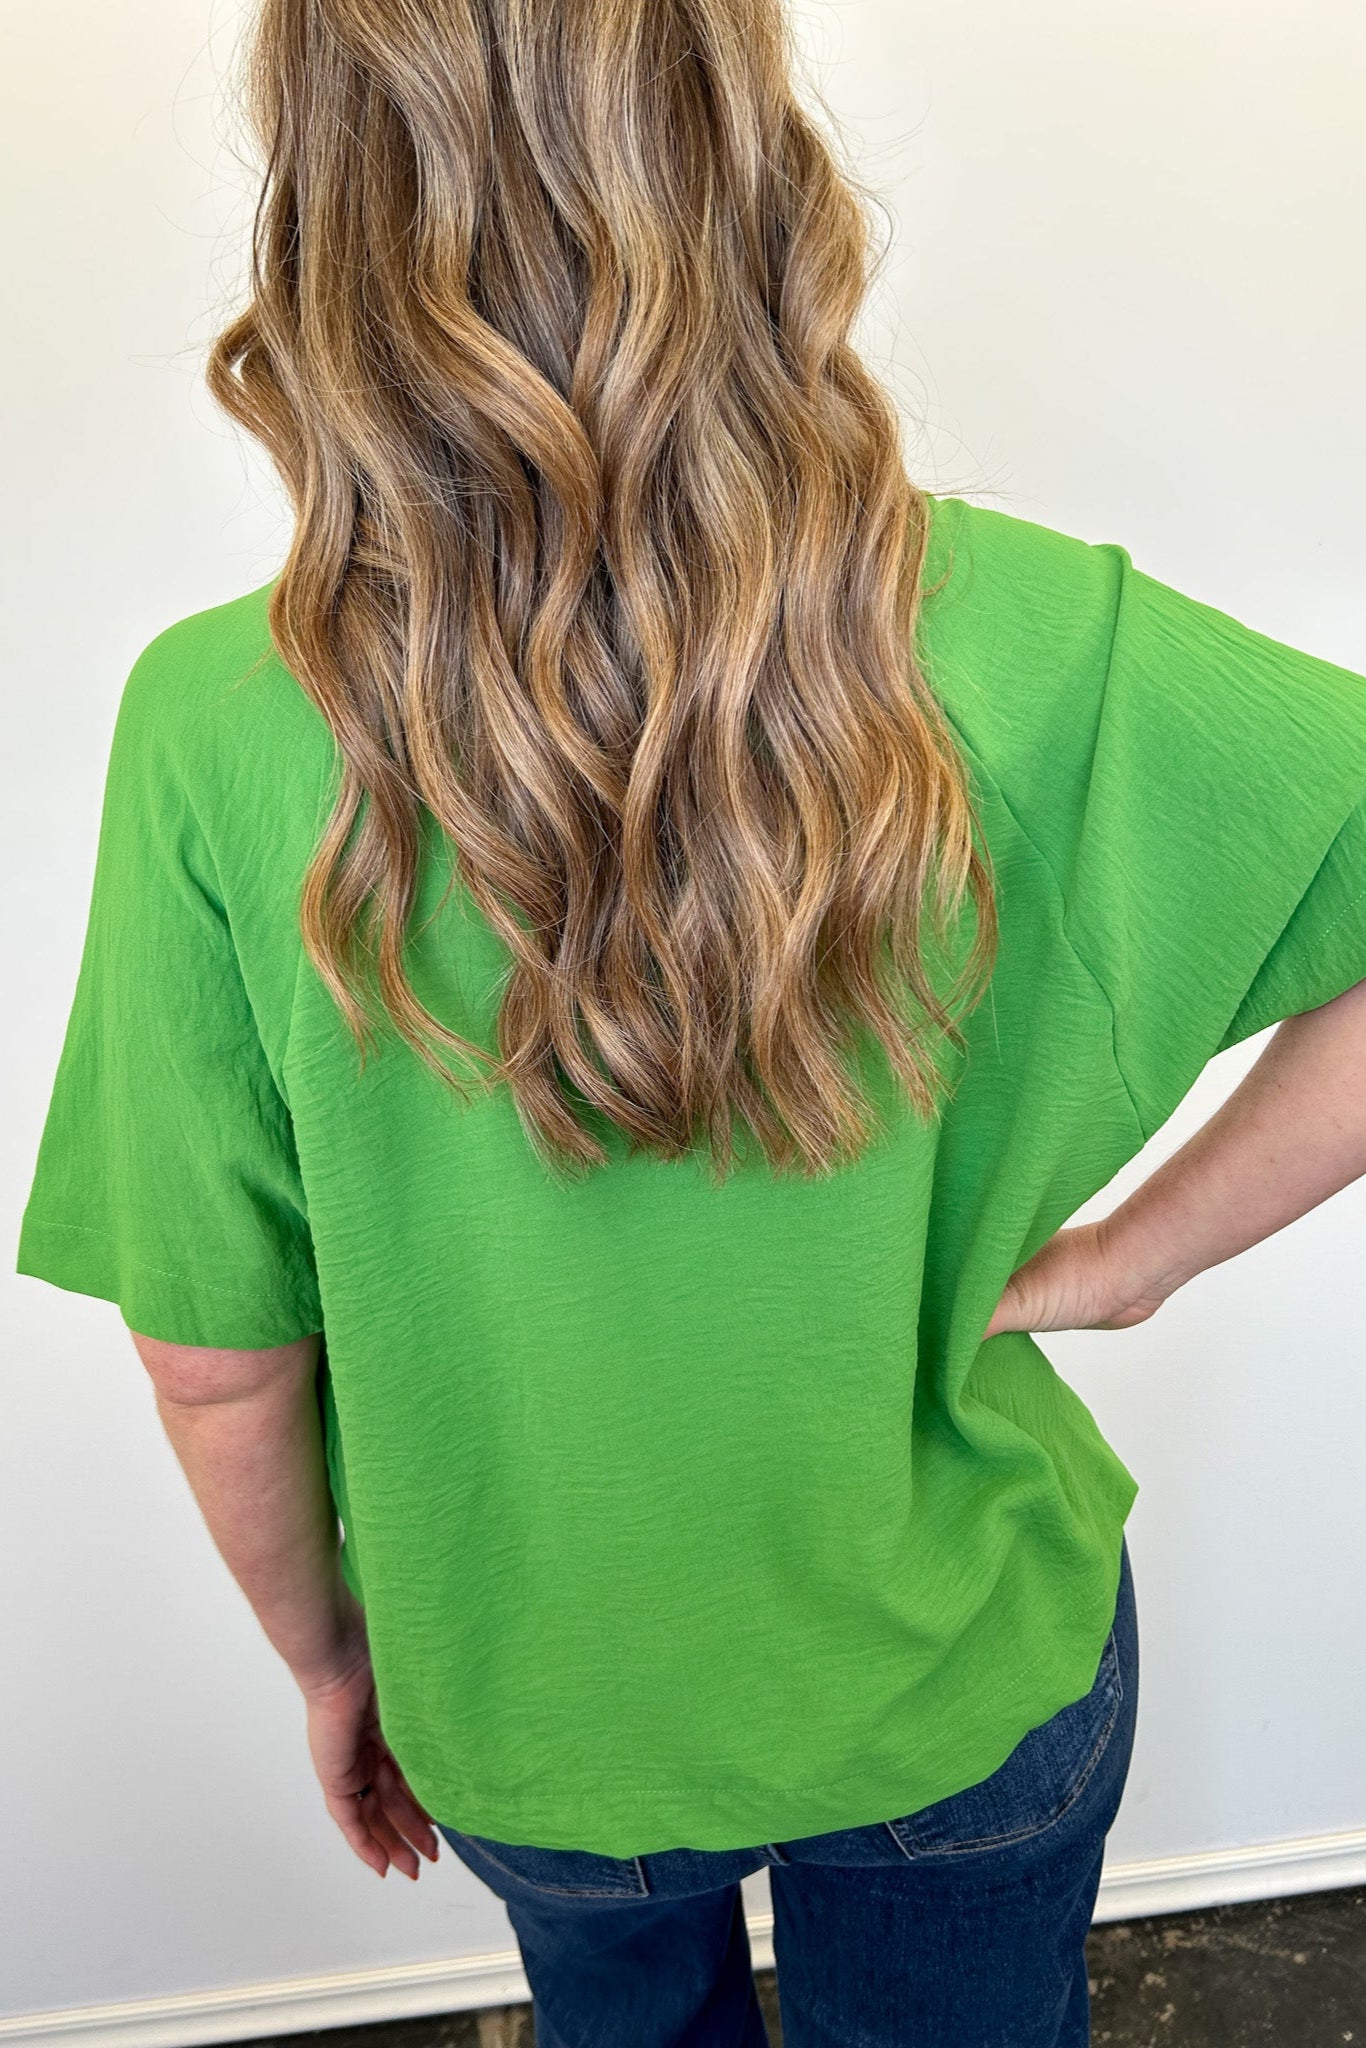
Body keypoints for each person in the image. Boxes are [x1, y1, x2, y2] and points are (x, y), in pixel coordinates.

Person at [14, 0, 1366, 2042]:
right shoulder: (1019, 634)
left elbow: (215, 1360)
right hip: (953, 1673)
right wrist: (1128, 1266)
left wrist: (329, 1661)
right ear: (746, 157)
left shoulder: (215, 728)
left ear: (329, 208)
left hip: (534, 1715)